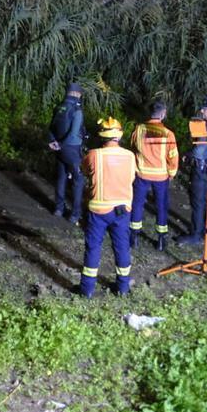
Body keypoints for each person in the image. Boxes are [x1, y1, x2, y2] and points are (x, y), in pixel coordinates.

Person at [79, 117, 135, 297]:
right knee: (122, 247)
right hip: (122, 210)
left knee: (93, 248)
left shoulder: (94, 155)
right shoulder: (130, 156)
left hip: (98, 210)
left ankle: (87, 290)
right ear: (119, 135)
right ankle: (123, 288)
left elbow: (85, 170)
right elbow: (131, 177)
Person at [128, 100, 179, 251]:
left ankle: (134, 237)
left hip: (142, 173)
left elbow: (132, 148)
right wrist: (172, 172)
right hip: (161, 176)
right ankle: (161, 240)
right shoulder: (168, 134)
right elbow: (173, 156)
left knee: (137, 204)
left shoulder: (139, 129)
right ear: (163, 114)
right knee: (161, 206)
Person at [176, 96, 207, 246]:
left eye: (205, 108)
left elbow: (199, 150)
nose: (202, 111)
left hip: (201, 168)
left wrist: (187, 155)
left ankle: (196, 234)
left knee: (198, 201)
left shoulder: (203, 127)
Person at [47, 82, 85, 223]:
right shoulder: (76, 110)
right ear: (77, 94)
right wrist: (61, 145)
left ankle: (58, 209)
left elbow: (51, 128)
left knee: (61, 178)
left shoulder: (59, 107)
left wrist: (53, 142)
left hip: (58, 148)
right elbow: (73, 133)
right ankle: (75, 215)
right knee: (78, 181)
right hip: (72, 149)